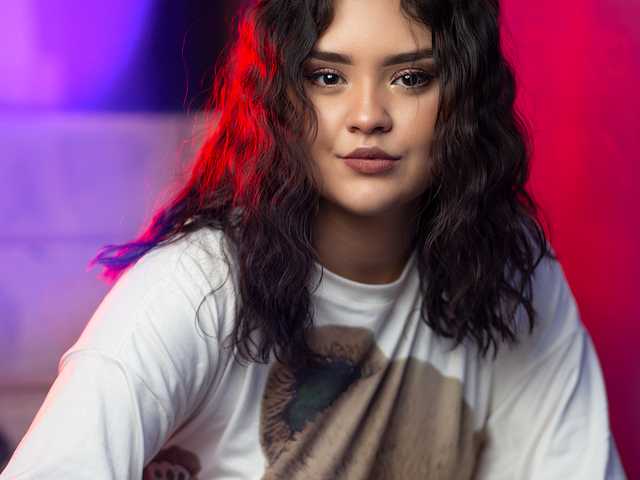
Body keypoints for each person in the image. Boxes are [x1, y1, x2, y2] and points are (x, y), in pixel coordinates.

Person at [0, 0, 626, 478]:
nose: (368, 115)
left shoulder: (506, 267)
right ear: (278, 98)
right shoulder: (193, 288)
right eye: (328, 77)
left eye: (410, 78)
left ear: (461, 97)